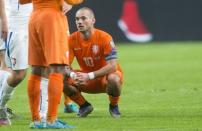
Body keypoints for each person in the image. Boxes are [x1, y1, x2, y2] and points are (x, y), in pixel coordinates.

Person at [19, 0, 84, 129]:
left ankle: (36, 119)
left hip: (35, 17)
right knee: (58, 68)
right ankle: (51, 119)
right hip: (52, 17)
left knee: (37, 69)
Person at [63, 7, 124, 118]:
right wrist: (72, 75)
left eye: (83, 18)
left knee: (114, 78)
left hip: (104, 78)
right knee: (60, 77)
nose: (79, 22)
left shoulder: (105, 37)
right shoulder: (71, 40)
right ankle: (84, 106)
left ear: (93, 20)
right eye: (77, 19)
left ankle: (114, 106)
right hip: (85, 79)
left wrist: (89, 76)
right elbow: (65, 66)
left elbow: (113, 66)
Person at [0, 0, 32, 125]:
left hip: (34, 21)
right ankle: (1, 107)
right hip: (15, 23)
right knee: (17, 72)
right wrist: (4, 21)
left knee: (41, 68)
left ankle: (44, 117)